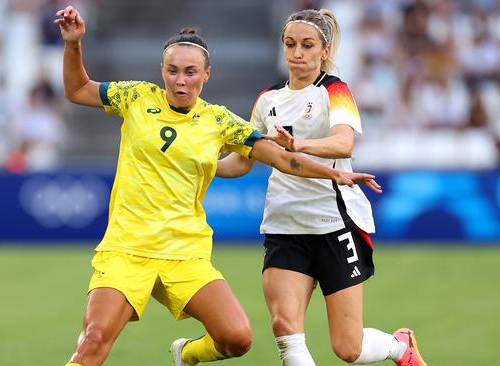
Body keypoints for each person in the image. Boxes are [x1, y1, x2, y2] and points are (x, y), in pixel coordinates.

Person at [54, 6, 381, 366]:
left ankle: (186, 354)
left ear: (206, 75)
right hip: (127, 249)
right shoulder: (136, 97)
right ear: (161, 72)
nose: (180, 80)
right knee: (95, 339)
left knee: (237, 338)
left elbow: (278, 157)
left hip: (185, 252)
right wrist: (74, 45)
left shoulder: (219, 121)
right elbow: (78, 89)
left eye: (190, 72)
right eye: (173, 71)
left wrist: (335, 174)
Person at [216, 9, 427, 366]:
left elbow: (344, 144)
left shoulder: (335, 91)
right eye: (290, 44)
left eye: (306, 45)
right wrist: (203, 166)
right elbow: (244, 159)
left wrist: (298, 146)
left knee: (349, 349)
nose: (297, 53)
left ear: (324, 51)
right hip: (284, 227)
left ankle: (399, 346)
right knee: (287, 332)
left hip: (333, 225)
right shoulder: (267, 99)